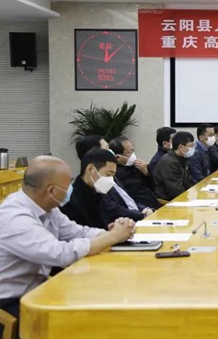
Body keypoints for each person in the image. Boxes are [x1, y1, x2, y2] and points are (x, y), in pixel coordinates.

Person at [0, 156, 135, 332]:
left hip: (38, 289)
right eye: (67, 185)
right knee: (82, 325)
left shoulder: (48, 208)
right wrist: (112, 238)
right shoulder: (15, 218)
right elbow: (60, 254)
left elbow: (77, 232)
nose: (70, 189)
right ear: (51, 191)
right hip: (10, 303)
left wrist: (114, 233)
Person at [62, 149, 148, 228]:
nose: (110, 180)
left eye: (113, 176)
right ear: (90, 169)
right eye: (108, 174)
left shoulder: (98, 192)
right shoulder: (72, 200)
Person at [73, 136, 153, 218]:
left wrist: (144, 209)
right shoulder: (98, 185)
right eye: (107, 148)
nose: (111, 151)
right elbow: (114, 211)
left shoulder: (110, 176)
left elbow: (127, 200)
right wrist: (141, 214)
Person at [110, 136, 161, 210]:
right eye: (130, 152)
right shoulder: (116, 175)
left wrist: (146, 173)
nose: (133, 155)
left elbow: (153, 188)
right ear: (118, 157)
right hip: (142, 210)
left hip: (154, 205)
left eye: (133, 150)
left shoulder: (135, 167)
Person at [153, 131, 194, 200]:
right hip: (168, 200)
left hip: (180, 196)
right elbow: (176, 191)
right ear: (181, 147)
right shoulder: (169, 162)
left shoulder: (181, 159)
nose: (192, 149)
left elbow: (187, 183)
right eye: (190, 146)